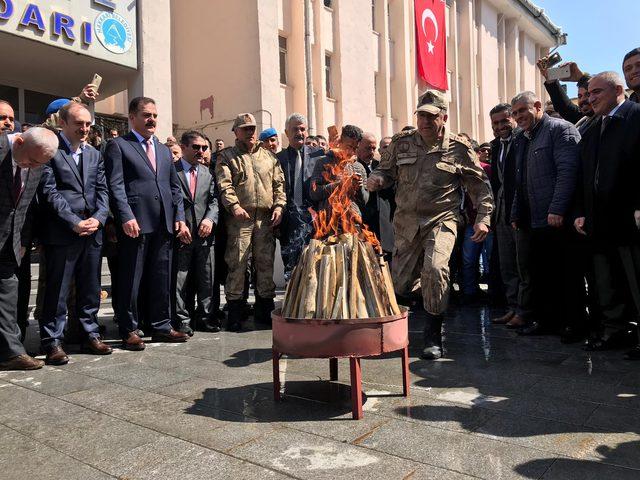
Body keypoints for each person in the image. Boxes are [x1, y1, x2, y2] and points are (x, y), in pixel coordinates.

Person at [367, 90, 493, 360]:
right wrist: (377, 179)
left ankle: (433, 334)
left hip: (442, 219)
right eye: (421, 115)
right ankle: (399, 325)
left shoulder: (459, 148)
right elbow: (385, 171)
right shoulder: (402, 143)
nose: (425, 121)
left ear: (443, 117)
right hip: (406, 222)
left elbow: (480, 187)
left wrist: (483, 218)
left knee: (436, 269)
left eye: (431, 116)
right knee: (399, 283)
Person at [105, 96, 190, 351]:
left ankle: (162, 326)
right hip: (136, 224)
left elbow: (175, 188)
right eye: (146, 115)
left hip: (164, 224)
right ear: (132, 118)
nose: (151, 119)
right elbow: (115, 185)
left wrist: (180, 218)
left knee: (162, 278)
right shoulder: (118, 145)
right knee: (131, 278)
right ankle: (129, 328)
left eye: (154, 115)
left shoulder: (164, 151)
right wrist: (126, 216)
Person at [37, 102, 112, 365]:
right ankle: (53, 341)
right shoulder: (51, 151)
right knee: (57, 290)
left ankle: (89, 333)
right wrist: (73, 222)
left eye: (88, 124)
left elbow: (103, 191)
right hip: (63, 232)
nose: (84, 129)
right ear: (63, 124)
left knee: (90, 287)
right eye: (79, 124)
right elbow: (49, 192)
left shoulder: (94, 154)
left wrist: (99, 219)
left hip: (92, 231)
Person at [574, 72, 640, 358]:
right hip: (598, 221)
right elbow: (585, 175)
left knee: (635, 280)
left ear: (617, 89)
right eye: (588, 94)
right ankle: (614, 330)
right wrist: (580, 212)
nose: (590, 98)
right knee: (606, 280)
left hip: (629, 221)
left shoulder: (635, 117)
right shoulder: (593, 127)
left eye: (596, 92)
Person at [510, 91, 584, 341]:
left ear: (538, 106)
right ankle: (546, 320)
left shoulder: (560, 129)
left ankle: (573, 324)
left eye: (523, 110)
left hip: (557, 219)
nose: (519, 117)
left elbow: (568, 172)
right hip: (533, 220)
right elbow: (520, 180)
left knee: (566, 275)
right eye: (515, 113)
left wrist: (557, 209)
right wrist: (515, 212)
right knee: (541, 275)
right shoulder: (521, 138)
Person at [215, 113, 286, 330]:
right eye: (245, 128)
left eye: (253, 128)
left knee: (265, 264)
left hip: (265, 220)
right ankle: (236, 311)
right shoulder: (227, 156)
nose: (250, 132)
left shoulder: (269, 157)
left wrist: (279, 206)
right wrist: (234, 206)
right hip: (239, 219)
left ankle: (265, 310)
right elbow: (224, 184)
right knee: (237, 263)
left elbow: (279, 185)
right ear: (235, 132)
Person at [0, 127, 58, 370]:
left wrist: (23, 241)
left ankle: (11, 352)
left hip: (10, 242)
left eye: (40, 164)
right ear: (19, 142)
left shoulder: (37, 162)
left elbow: (24, 207)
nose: (33, 167)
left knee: (8, 293)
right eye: (32, 161)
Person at [487, 103, 531, 328]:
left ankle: (524, 311)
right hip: (501, 213)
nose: (500, 126)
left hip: (520, 211)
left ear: (513, 119)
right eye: (495, 123)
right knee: (507, 265)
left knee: (523, 264)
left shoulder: (523, 140)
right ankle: (512, 307)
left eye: (505, 121)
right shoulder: (496, 146)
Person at [173, 131, 219, 335]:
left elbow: (214, 200)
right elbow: (170, 200)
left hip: (204, 234)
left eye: (203, 148)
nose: (201, 151)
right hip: (181, 233)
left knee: (206, 277)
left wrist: (210, 218)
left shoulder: (207, 173)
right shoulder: (171, 171)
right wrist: (179, 221)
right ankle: (182, 319)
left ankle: (205, 317)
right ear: (183, 148)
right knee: (180, 279)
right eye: (196, 147)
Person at [276, 113, 323, 277]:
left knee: (313, 265)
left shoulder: (319, 156)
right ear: (286, 132)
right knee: (291, 266)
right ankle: (291, 300)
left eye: (302, 129)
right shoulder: (278, 159)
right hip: (288, 220)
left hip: (313, 218)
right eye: (294, 129)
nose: (299, 132)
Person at [310, 124, 369, 218]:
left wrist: (360, 188)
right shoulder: (323, 162)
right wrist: (339, 185)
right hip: (329, 221)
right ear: (340, 142)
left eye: (355, 148)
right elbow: (314, 193)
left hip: (353, 221)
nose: (352, 152)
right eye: (349, 147)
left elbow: (365, 200)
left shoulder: (359, 167)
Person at [460, 143, 493, 303]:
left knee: (491, 259)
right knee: (469, 260)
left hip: (488, 222)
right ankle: (469, 292)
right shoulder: (459, 172)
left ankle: (495, 293)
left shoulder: (486, 169)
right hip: (469, 223)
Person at [356, 132, 394, 257]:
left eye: (373, 148)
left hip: (384, 220)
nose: (371, 152)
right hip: (365, 220)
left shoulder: (380, 166)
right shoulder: (355, 167)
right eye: (368, 148)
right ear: (358, 146)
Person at [536, 58, 597, 134]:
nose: (582, 100)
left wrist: (581, 78)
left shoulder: (606, 118)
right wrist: (551, 80)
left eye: (587, 94)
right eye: (579, 96)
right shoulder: (583, 120)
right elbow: (564, 107)